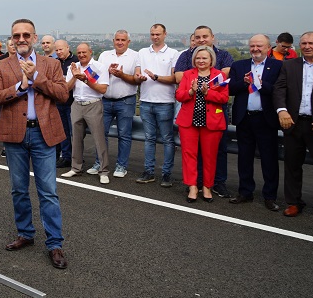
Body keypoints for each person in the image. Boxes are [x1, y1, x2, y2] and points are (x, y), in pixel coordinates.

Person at [0, 19, 70, 269]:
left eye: (26, 34)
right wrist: (20, 87)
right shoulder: (1, 66)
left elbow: (63, 94)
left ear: (34, 37)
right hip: (15, 136)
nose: (21, 39)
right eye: (16, 35)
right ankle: (25, 233)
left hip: (44, 135)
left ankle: (54, 243)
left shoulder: (51, 63)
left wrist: (35, 76)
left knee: (48, 191)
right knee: (18, 189)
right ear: (11, 39)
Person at [273, 31, 313, 223]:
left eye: (311, 43)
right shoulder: (290, 65)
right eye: (304, 43)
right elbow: (279, 89)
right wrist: (281, 110)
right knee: (292, 165)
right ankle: (293, 202)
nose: (307, 46)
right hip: (293, 123)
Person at [173, 26, 233, 197]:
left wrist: (208, 93)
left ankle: (207, 186)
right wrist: (191, 92)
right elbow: (179, 95)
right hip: (189, 121)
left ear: (211, 59)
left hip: (211, 121)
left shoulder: (218, 76)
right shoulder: (188, 75)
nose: (201, 60)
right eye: (198, 58)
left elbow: (224, 98)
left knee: (209, 155)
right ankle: (192, 186)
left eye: (204, 58)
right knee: (189, 155)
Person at [228, 34, 283, 211]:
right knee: (244, 157)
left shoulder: (278, 66)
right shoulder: (239, 65)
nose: (255, 49)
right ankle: (245, 192)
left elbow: (278, 91)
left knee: (269, 159)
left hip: (266, 119)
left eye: (259, 46)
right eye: (252, 46)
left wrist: (261, 84)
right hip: (245, 118)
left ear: (268, 48)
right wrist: (244, 83)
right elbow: (230, 89)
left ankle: (270, 196)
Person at [134, 24, 179, 187]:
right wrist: (140, 77)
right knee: (149, 139)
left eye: (158, 34)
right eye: (152, 34)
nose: (155, 37)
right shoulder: (142, 52)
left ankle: (167, 174)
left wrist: (156, 77)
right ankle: (149, 172)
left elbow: (175, 78)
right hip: (146, 102)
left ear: (165, 34)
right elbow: (137, 74)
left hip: (165, 102)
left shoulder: (174, 53)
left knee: (167, 139)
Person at [61, 43, 111, 184]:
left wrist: (85, 79)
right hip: (77, 104)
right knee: (76, 138)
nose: (82, 55)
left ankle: (104, 171)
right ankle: (76, 168)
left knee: (98, 139)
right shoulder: (74, 67)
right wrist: (75, 76)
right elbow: (67, 88)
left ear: (90, 52)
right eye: (79, 52)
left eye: (84, 52)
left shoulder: (99, 67)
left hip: (93, 105)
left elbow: (102, 89)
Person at [94, 30, 140, 178]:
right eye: (117, 40)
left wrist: (121, 75)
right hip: (105, 100)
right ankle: (100, 163)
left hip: (126, 101)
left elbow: (136, 80)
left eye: (123, 40)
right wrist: (107, 72)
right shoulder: (104, 55)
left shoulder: (135, 56)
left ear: (128, 42)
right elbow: (96, 77)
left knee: (124, 135)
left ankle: (121, 166)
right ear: (113, 41)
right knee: (101, 134)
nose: (120, 42)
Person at [53, 40, 78, 168]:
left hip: (73, 102)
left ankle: (77, 157)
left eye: (61, 49)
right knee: (63, 132)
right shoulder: (55, 63)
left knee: (75, 132)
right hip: (59, 102)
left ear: (67, 48)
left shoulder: (76, 61)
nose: (59, 52)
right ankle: (66, 156)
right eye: (56, 50)